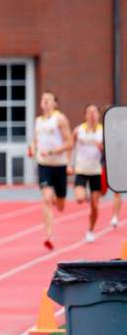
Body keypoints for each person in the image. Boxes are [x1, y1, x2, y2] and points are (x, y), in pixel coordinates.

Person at [28, 91, 73, 250]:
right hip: (44, 164)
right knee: (46, 198)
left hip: (59, 164)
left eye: (49, 99)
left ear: (55, 103)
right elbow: (35, 140)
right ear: (40, 103)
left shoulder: (59, 119)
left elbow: (69, 142)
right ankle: (48, 234)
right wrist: (32, 148)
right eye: (43, 99)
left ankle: (57, 196)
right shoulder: (38, 121)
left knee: (60, 205)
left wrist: (56, 152)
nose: (46, 102)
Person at [70, 104, 104, 242]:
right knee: (79, 198)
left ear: (98, 115)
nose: (92, 115)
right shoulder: (78, 130)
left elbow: (110, 152)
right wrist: (69, 165)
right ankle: (87, 195)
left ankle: (90, 230)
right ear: (85, 115)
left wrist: (101, 147)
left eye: (94, 112)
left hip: (96, 171)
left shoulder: (103, 131)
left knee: (95, 207)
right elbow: (71, 148)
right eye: (89, 112)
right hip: (81, 170)